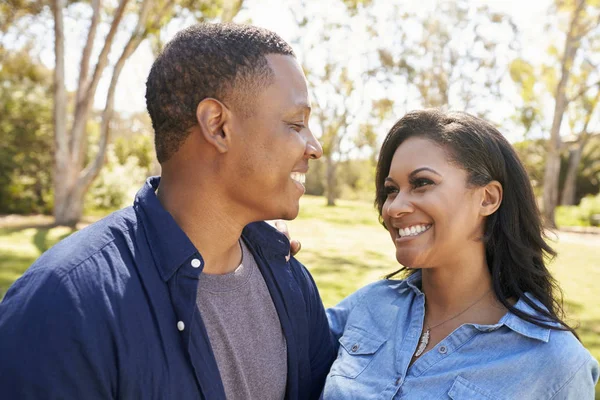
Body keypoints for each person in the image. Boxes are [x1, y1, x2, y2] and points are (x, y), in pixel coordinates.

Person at [0, 23, 336, 400]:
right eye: (295, 124)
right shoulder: (62, 304)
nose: (314, 147)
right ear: (218, 126)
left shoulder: (291, 281)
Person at [321, 109, 599, 398]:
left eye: (422, 183)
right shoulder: (370, 305)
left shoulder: (557, 365)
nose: (394, 208)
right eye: (391, 190)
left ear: (487, 198)